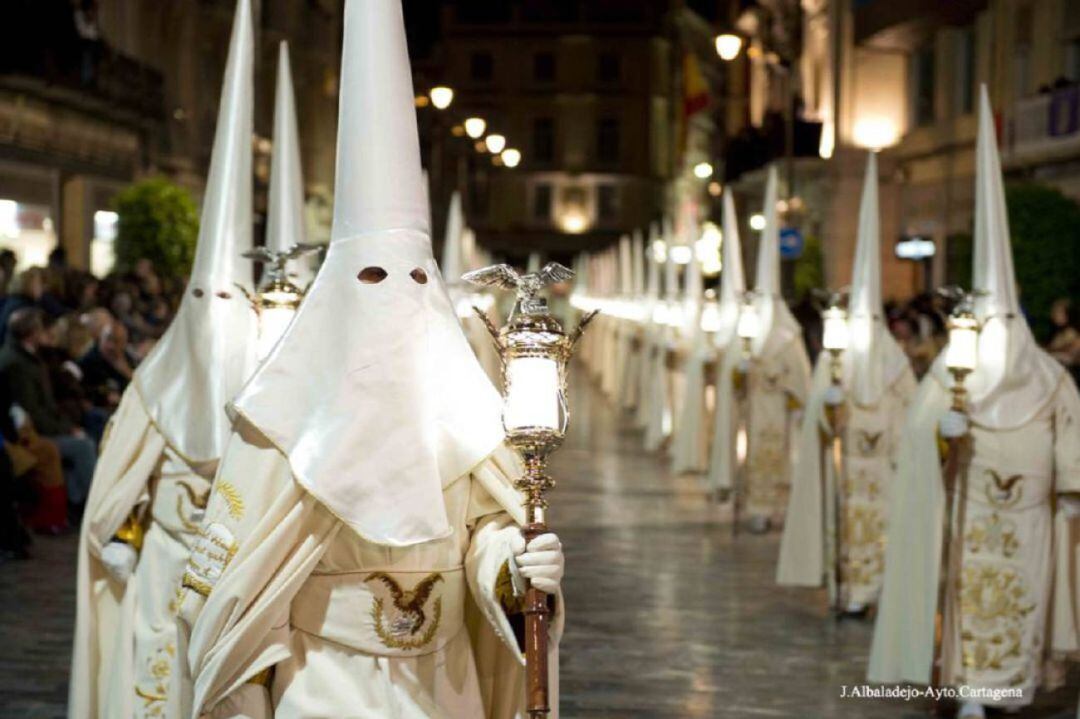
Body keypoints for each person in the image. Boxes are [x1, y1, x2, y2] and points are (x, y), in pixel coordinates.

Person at [177, 3, 564, 716]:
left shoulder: (464, 413)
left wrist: (516, 565)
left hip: (445, 685)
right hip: (320, 685)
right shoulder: (279, 426)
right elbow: (237, 601)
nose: (392, 301)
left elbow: (484, 534)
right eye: (370, 281)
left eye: (413, 280)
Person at [68, 1, 261, 715]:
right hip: (162, 565)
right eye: (204, 297)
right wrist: (117, 540)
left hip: (240, 579)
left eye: (231, 299)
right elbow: (121, 486)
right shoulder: (154, 387)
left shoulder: (272, 390)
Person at [868, 87, 1080, 718]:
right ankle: (965, 688)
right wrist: (942, 435)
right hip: (970, 516)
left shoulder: (1050, 379)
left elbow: (1072, 442)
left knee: (1019, 599)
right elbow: (917, 452)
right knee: (968, 593)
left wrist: (1068, 491)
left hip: (1030, 521)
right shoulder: (947, 381)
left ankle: (1009, 686)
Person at [777, 153, 918, 615]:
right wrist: (828, 406)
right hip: (850, 470)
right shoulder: (834, 365)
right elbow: (817, 421)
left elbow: (913, 419)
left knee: (880, 531)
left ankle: (876, 592)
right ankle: (851, 591)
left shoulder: (896, 365)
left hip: (884, 471)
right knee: (849, 530)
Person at [707, 166, 812, 532]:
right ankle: (754, 504)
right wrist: (740, 373)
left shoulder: (788, 337)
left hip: (779, 415)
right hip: (754, 412)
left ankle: (779, 506)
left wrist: (785, 385)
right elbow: (730, 377)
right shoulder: (745, 333)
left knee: (778, 459)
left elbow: (801, 382)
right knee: (753, 458)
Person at [0, 308, 96, 517]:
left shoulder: (30, 357)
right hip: (34, 433)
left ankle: (76, 499)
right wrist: (68, 429)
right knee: (84, 447)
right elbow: (34, 412)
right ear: (33, 333)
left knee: (86, 438)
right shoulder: (18, 364)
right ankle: (92, 506)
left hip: (47, 425)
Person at [79, 320, 134, 411]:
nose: (111, 346)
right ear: (101, 338)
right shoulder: (87, 361)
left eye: (117, 342)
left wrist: (126, 372)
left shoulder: (127, 359)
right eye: (108, 339)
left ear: (124, 344)